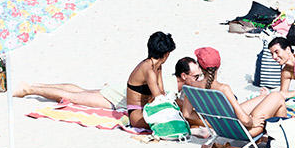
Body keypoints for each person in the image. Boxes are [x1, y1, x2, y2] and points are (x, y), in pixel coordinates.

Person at [17, 31, 177, 130]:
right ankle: (30, 89)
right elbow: (159, 96)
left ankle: (36, 86)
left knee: (80, 91)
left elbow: (160, 93)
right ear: (166, 53)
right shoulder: (149, 69)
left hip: (128, 100)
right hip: (133, 112)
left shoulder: (157, 66)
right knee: (74, 97)